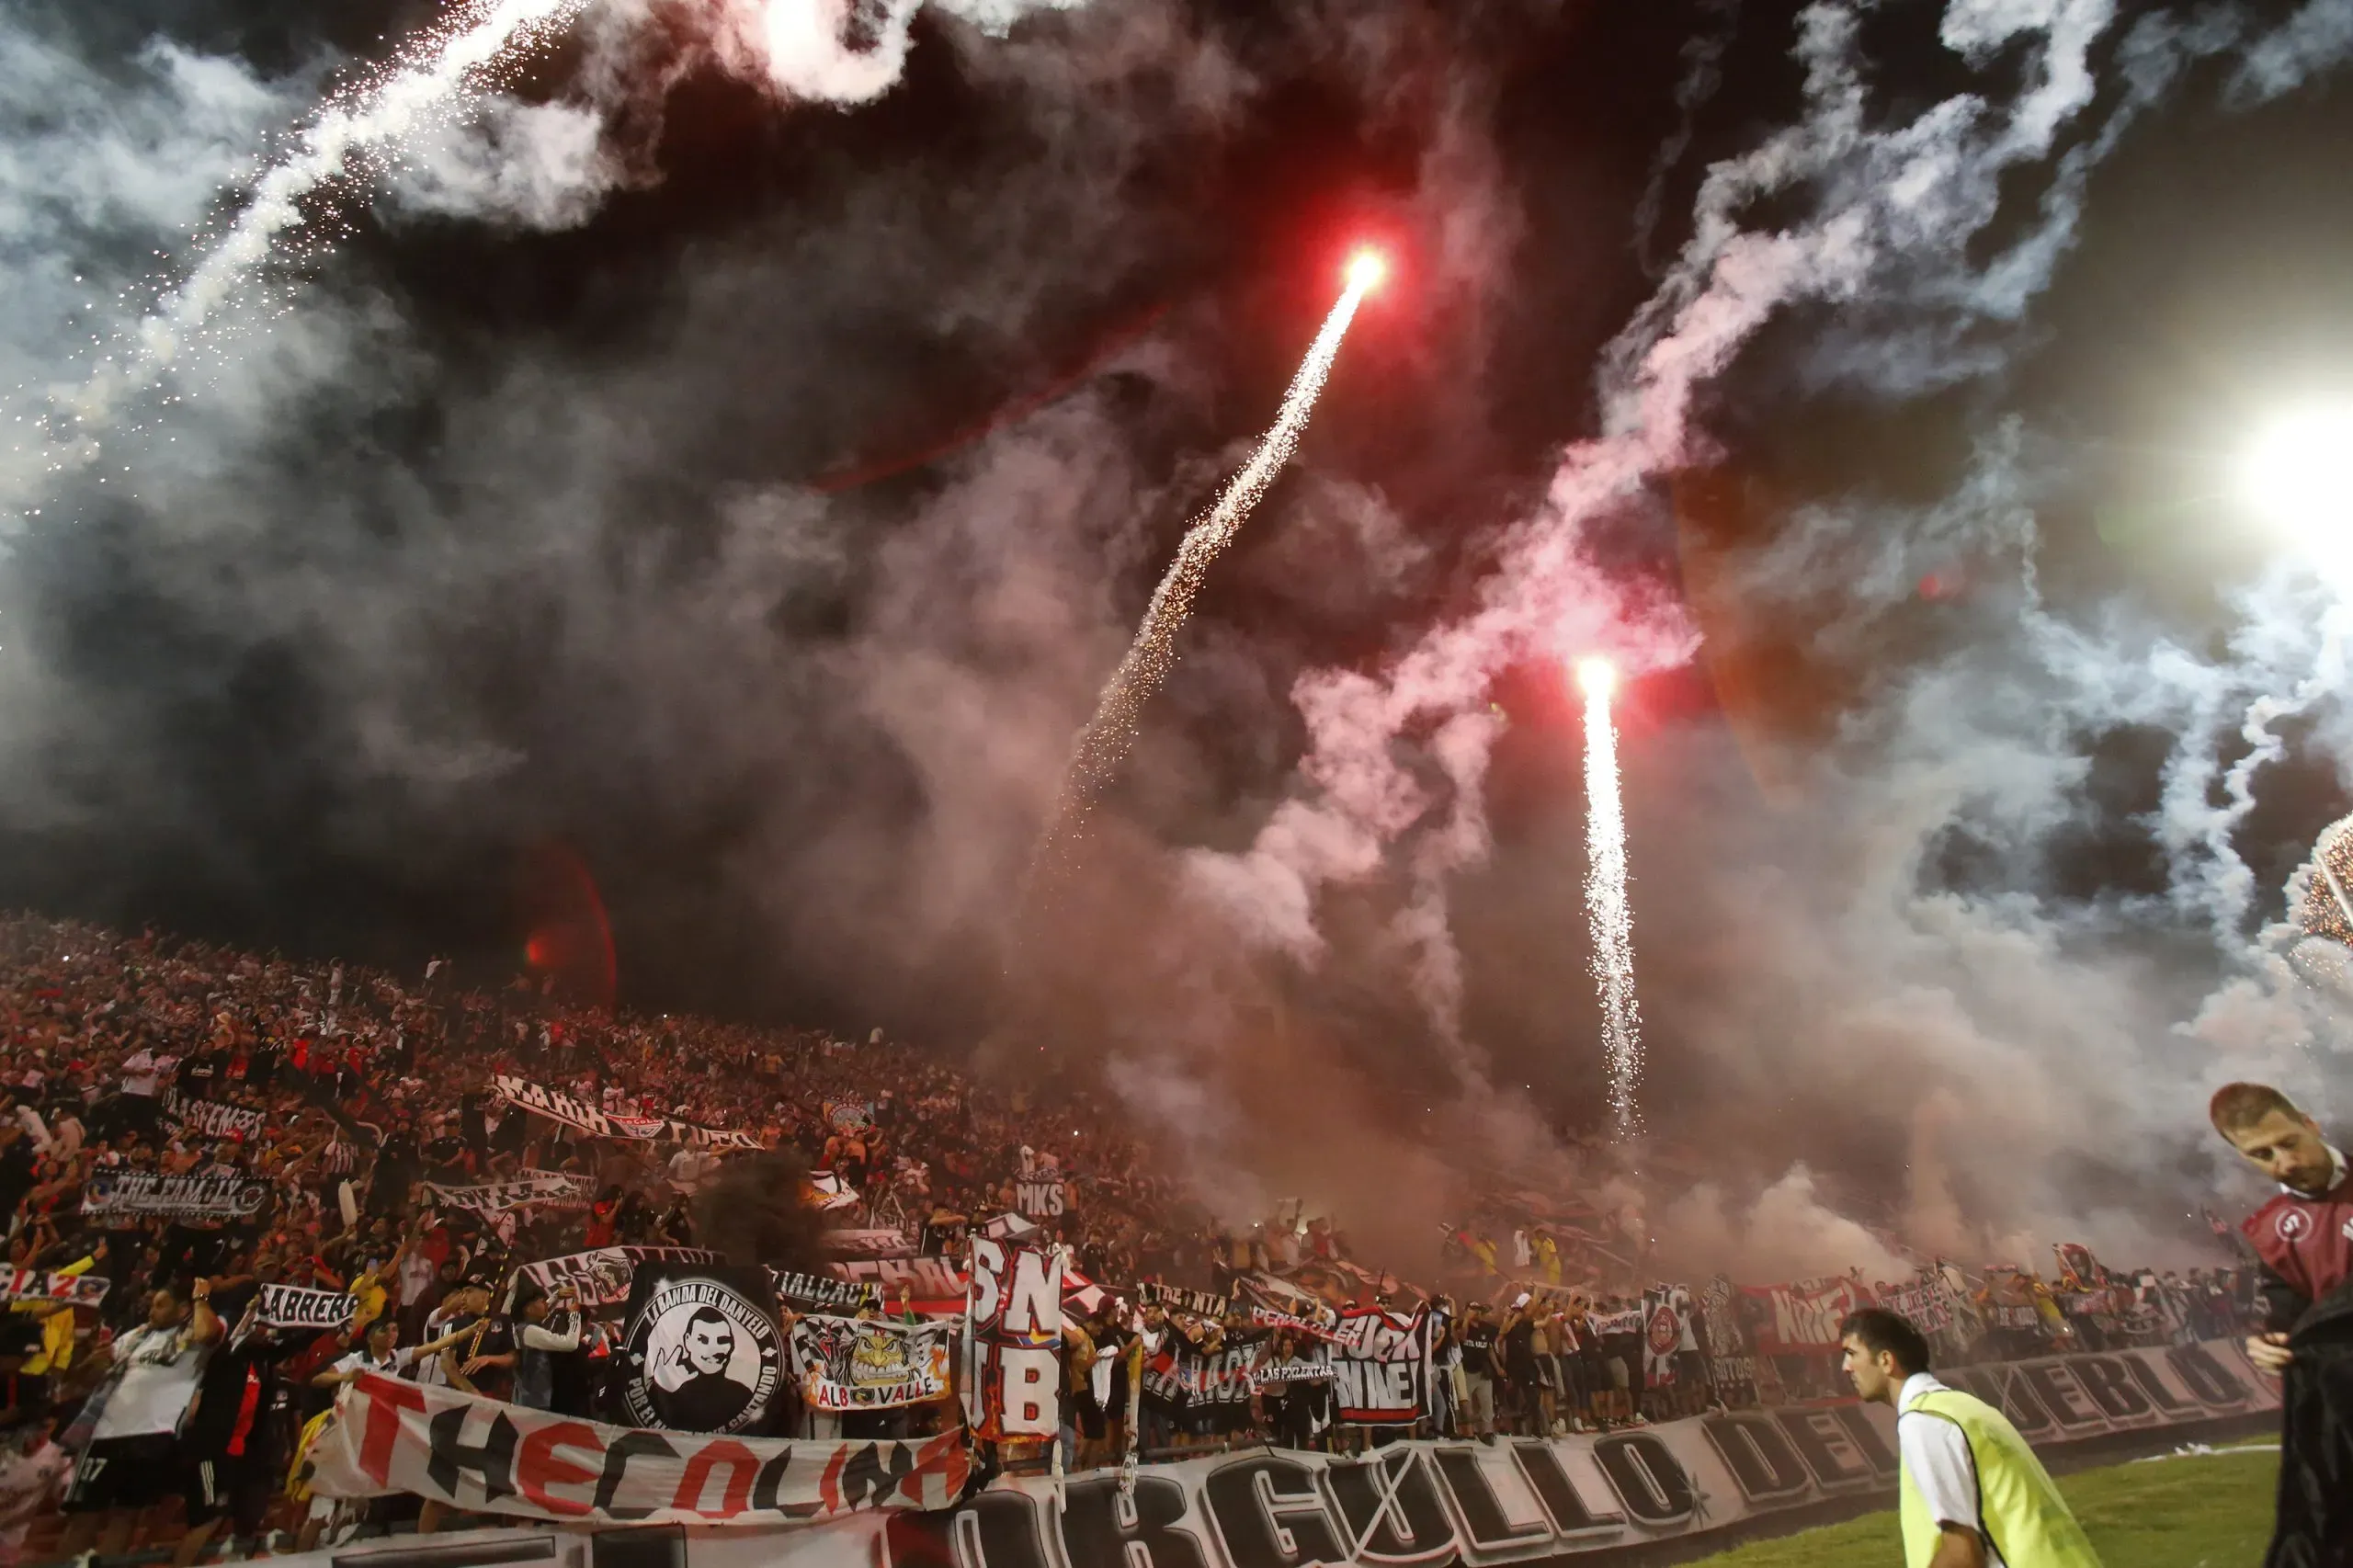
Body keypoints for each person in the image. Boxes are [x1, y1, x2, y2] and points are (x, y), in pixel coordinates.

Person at [2208, 1082, 2353, 1565]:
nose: (2283, 1163)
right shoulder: (2270, 1232)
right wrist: (2269, 1344)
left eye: (2288, 1142)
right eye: (2262, 1154)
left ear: (2310, 1124)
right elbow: (2290, 1319)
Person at [1839, 1308, 2100, 1568]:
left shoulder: (1923, 1421)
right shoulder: (1967, 1408)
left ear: (1886, 1360)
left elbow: (1963, 1553)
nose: (1845, 1367)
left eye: (1851, 1354)